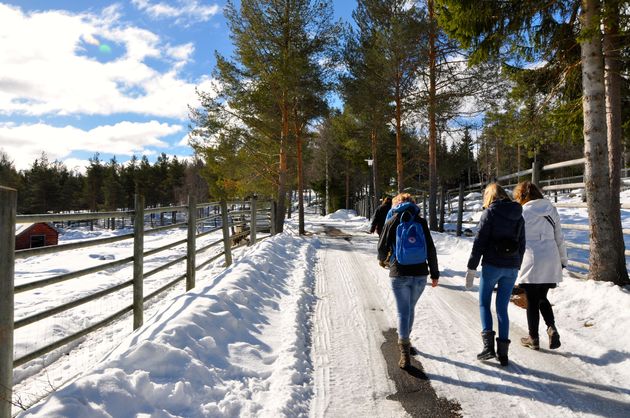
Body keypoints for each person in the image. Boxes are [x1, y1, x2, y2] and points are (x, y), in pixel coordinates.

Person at [377, 193, 439, 369]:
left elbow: (381, 248)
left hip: (399, 273)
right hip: (420, 273)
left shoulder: (392, 221)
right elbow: (431, 249)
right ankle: (407, 340)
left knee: (402, 311)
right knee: (410, 308)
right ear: (413, 204)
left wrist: (383, 260)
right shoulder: (421, 222)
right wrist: (434, 274)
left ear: (396, 204)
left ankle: (404, 350)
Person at [466, 183, 525, 366]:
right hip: (511, 267)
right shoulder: (518, 214)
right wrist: (517, 264)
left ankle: (488, 348)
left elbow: (480, 242)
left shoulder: (490, 213)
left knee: (484, 303)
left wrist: (471, 267)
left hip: (492, 265)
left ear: (489, 196)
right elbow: (522, 243)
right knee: (502, 308)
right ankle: (503, 353)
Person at [513, 181, 567, 351]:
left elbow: (516, 238)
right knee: (542, 297)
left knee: (532, 300)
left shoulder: (521, 212)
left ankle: (533, 338)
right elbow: (559, 236)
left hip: (531, 257)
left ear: (521, 196)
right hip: (551, 256)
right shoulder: (551, 209)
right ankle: (551, 327)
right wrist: (563, 260)